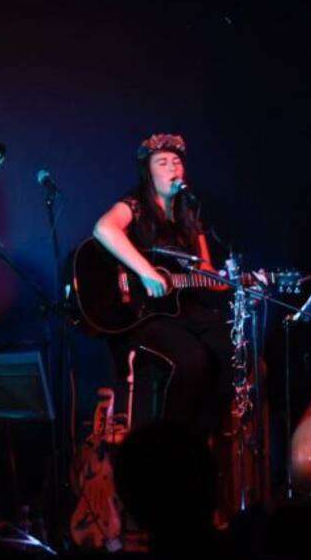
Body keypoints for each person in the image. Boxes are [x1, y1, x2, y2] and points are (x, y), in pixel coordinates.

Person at [93, 133, 231, 435]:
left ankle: (208, 434)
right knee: (192, 360)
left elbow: (205, 271)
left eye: (177, 162)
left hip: (185, 308)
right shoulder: (135, 205)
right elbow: (103, 229)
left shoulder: (190, 215)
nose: (172, 168)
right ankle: (172, 439)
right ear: (149, 172)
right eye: (163, 162)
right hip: (147, 313)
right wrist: (146, 272)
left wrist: (234, 282)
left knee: (231, 351)